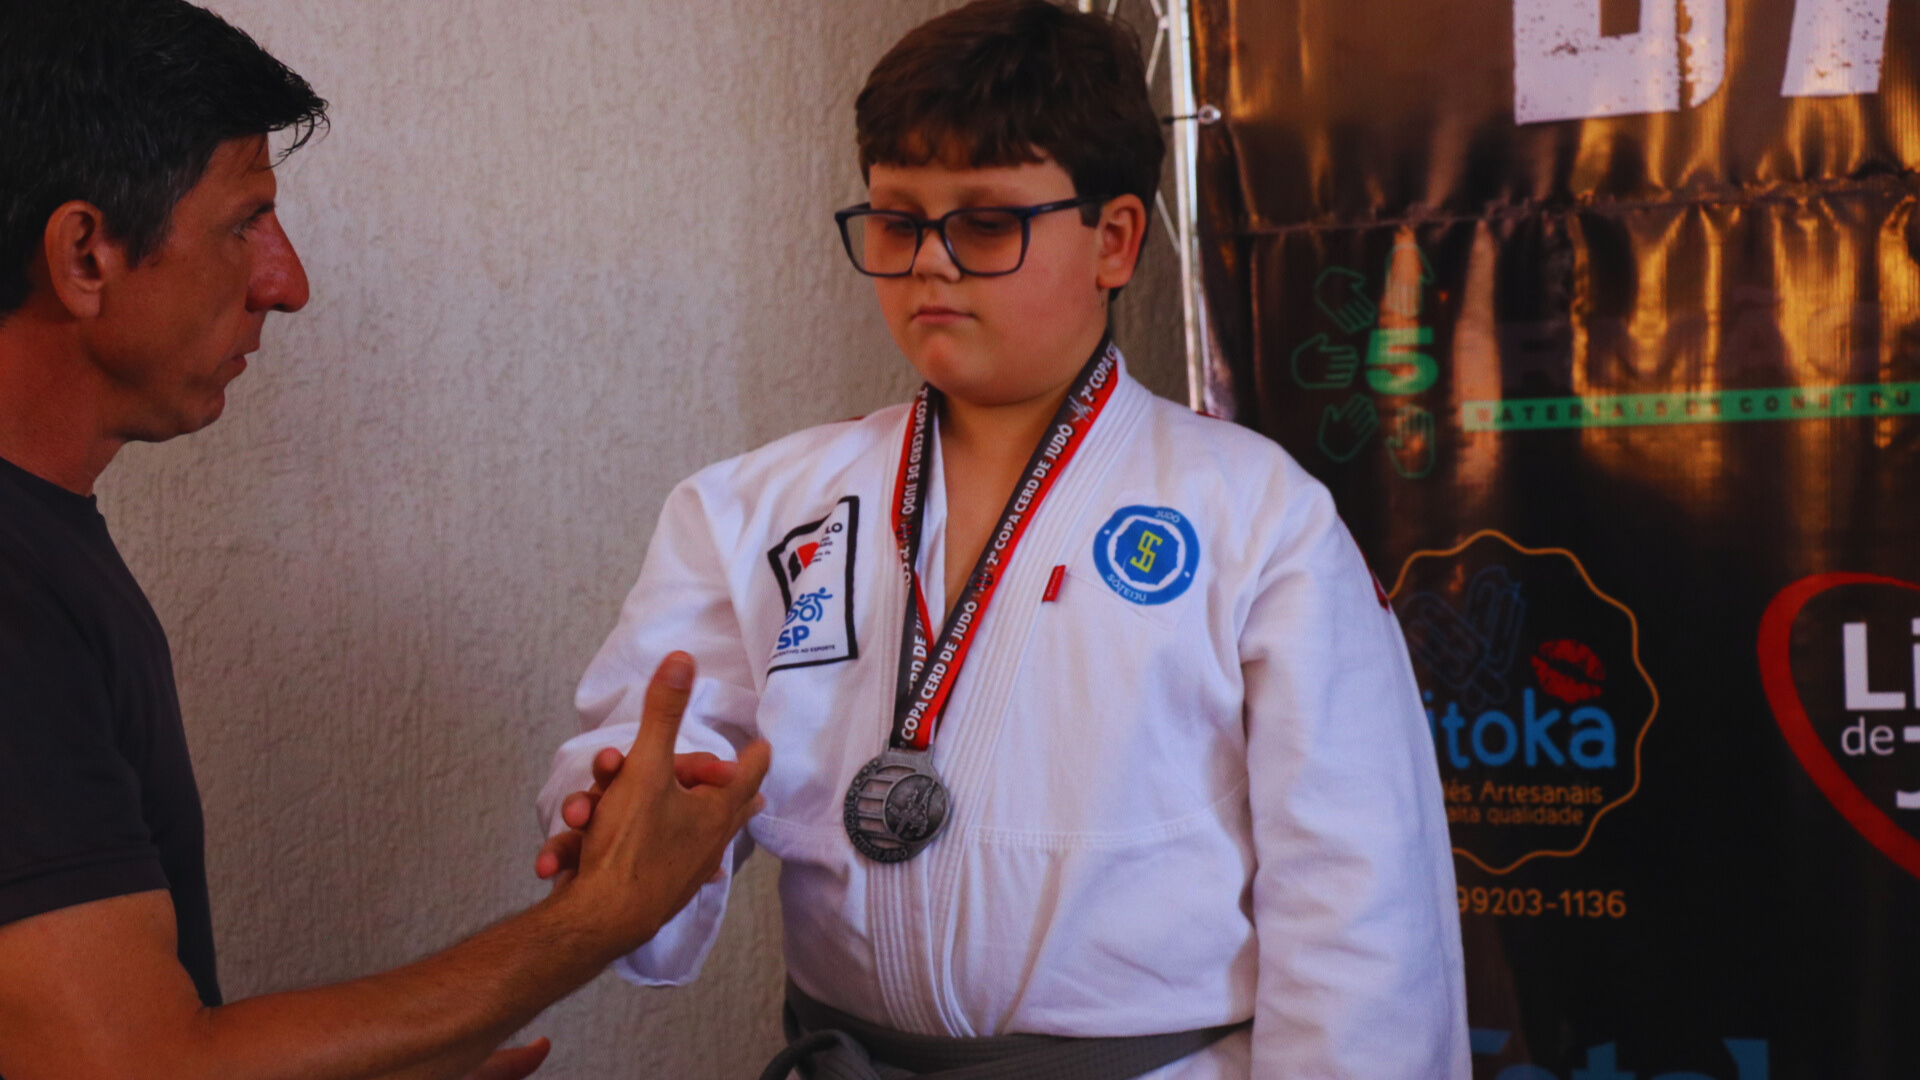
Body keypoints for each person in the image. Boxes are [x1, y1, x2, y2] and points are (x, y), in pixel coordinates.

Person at [535, 1, 1470, 1076]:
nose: (929, 263)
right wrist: (625, 816)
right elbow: (658, 763)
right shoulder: (756, 509)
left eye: (984, 223)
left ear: (1114, 240)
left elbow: (1359, 901)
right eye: (897, 222)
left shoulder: (1255, 515)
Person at [0, 4, 769, 1078]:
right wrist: (602, 913)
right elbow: (128, 1066)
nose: (287, 284)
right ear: (86, 253)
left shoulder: (48, 547)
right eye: (246, 222)